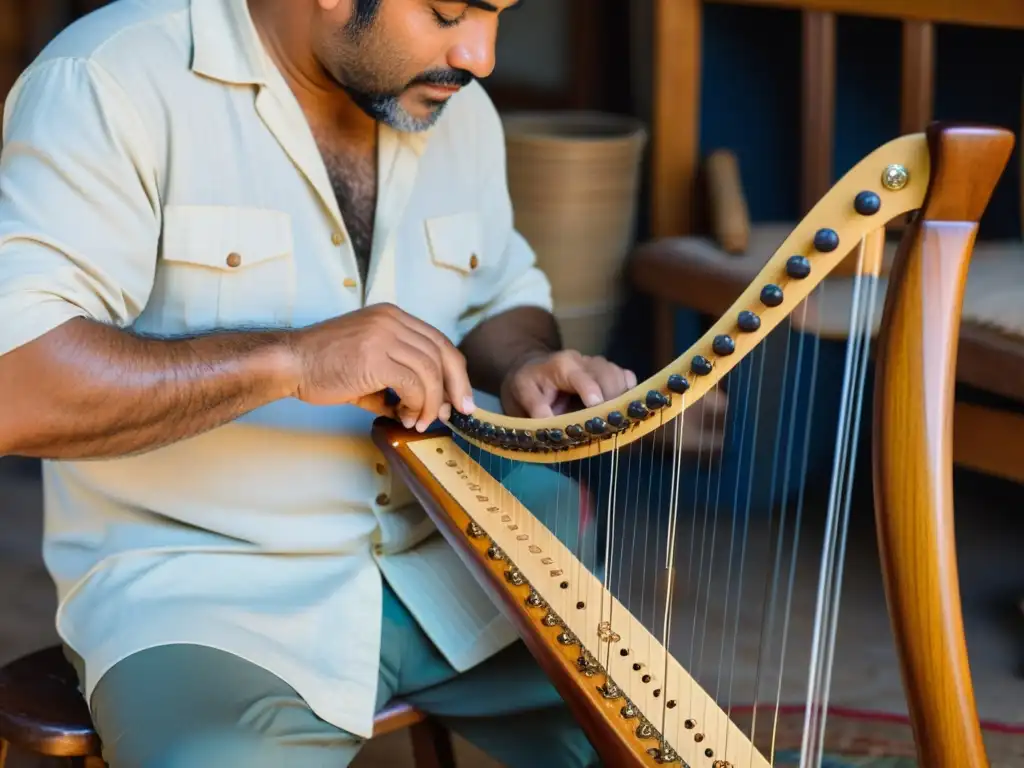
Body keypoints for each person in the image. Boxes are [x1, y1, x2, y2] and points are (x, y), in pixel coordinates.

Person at [0, 0, 651, 766]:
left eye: (499, 14)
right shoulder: (110, 80)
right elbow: (18, 387)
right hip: (210, 599)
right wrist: (294, 359)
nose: (482, 55)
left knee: (658, 739)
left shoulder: (451, 107)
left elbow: (498, 292)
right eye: (450, 12)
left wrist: (523, 363)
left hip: (453, 569)